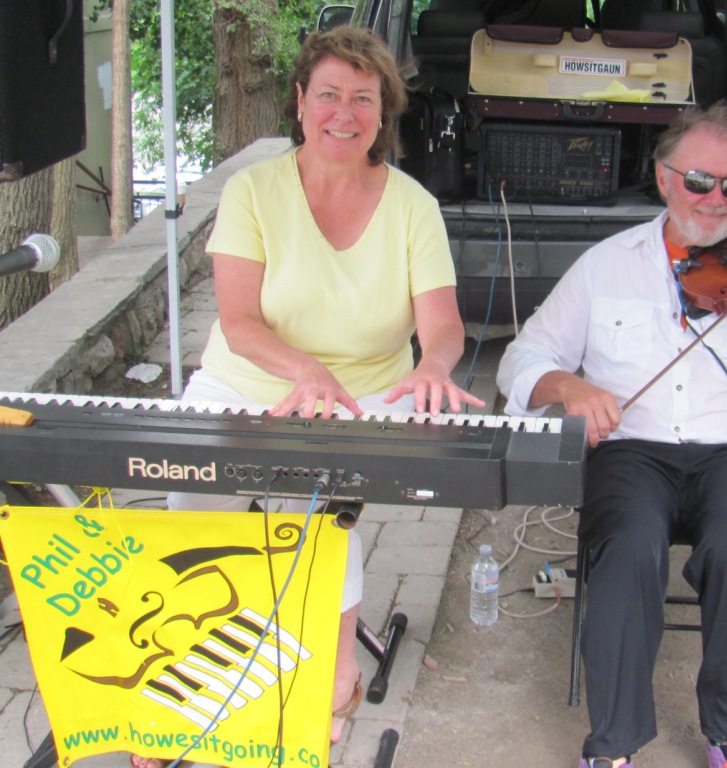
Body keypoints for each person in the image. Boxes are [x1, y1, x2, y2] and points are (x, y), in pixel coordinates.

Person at [130, 25, 483, 768]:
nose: (344, 113)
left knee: (329, 513)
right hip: (248, 380)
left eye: (363, 98)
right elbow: (239, 320)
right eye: (328, 94)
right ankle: (181, 688)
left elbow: (443, 328)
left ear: (383, 114)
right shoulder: (254, 190)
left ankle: (332, 672)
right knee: (192, 510)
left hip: (363, 394)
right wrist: (304, 371)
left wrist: (434, 369)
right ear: (298, 102)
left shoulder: (413, 205)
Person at [497, 103, 727, 768]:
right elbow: (520, 361)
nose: (717, 199)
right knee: (627, 543)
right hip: (633, 452)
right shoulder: (607, 265)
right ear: (664, 179)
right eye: (700, 180)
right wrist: (570, 388)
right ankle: (613, 744)